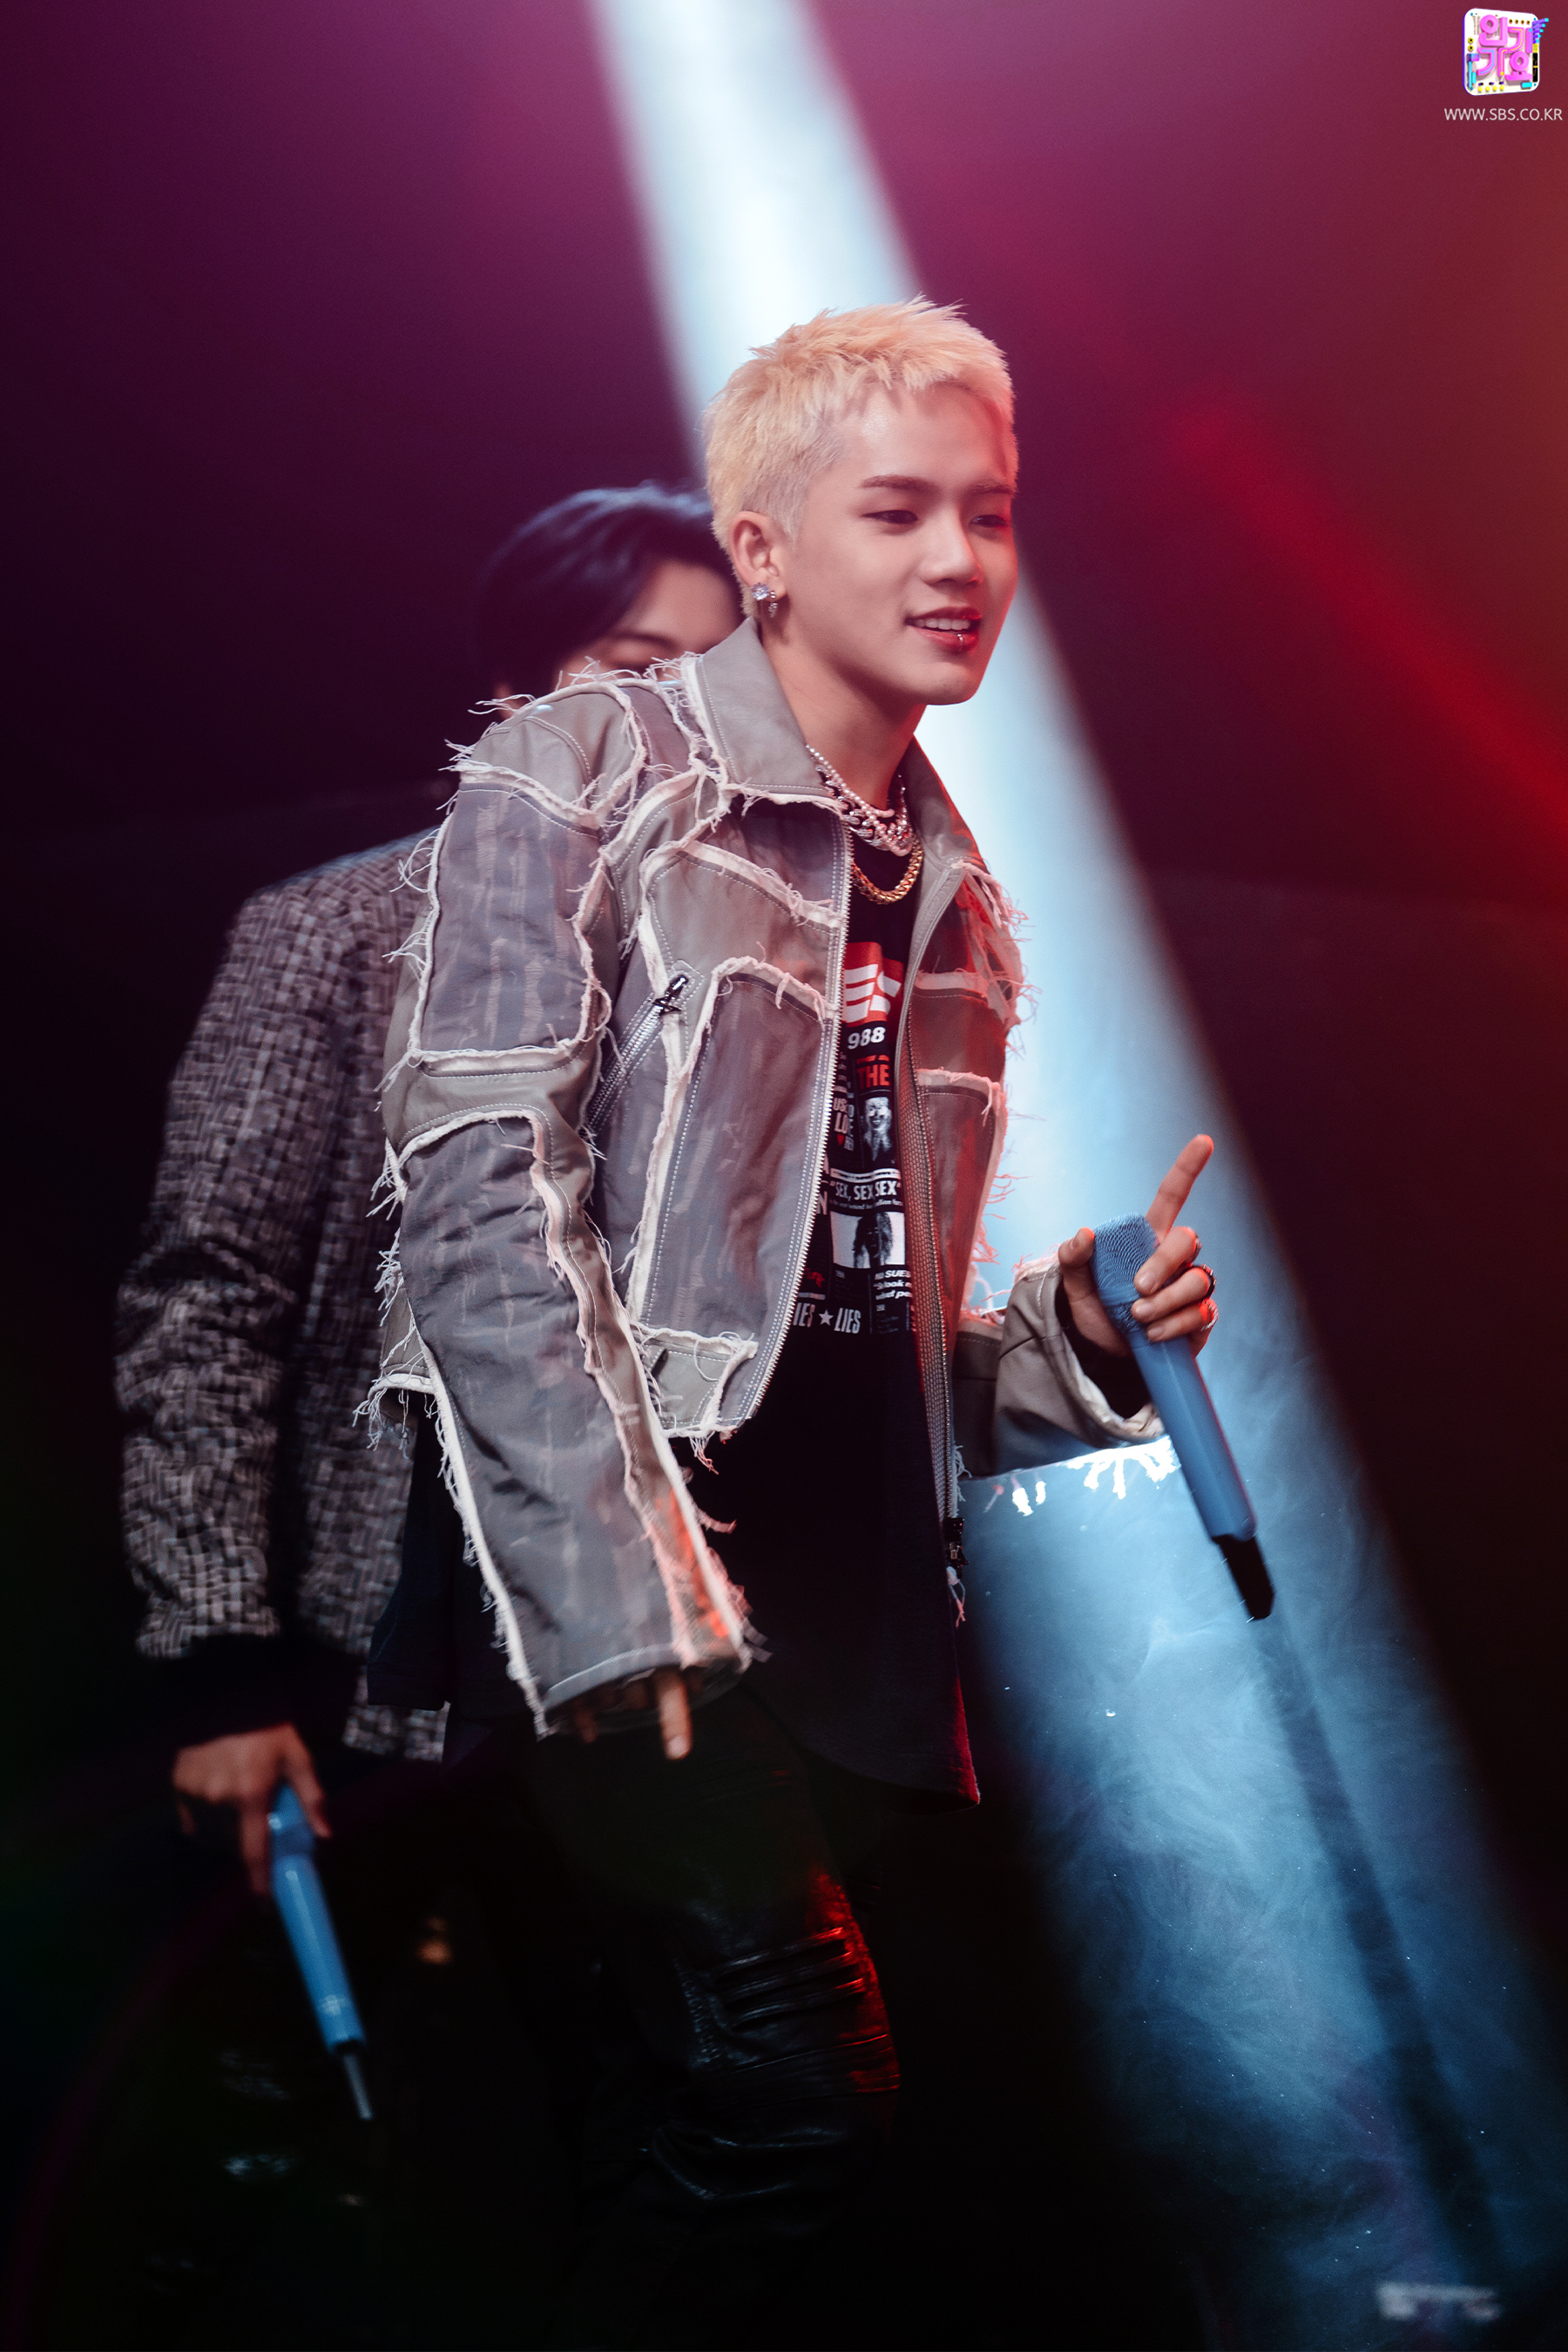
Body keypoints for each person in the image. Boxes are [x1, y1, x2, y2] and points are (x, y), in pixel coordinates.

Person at [365, 302, 1222, 2348]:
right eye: (897, 510)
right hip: (624, 1580)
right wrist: (622, 1610)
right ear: (759, 548)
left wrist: (1083, 1339)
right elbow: (480, 1211)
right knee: (789, 2095)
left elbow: (868, 1342)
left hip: (853, 1622)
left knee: (748, 2153)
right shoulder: (584, 771)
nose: (959, 560)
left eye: (989, 513)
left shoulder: (961, 897)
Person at [116, 483, 740, 1892]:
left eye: (714, 683)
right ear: (517, 696)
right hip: (389, 1658)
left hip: (687, 1654)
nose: (678, 721)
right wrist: (220, 1672)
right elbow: (210, 1305)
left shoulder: (750, 972)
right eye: (637, 671)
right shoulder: (334, 934)